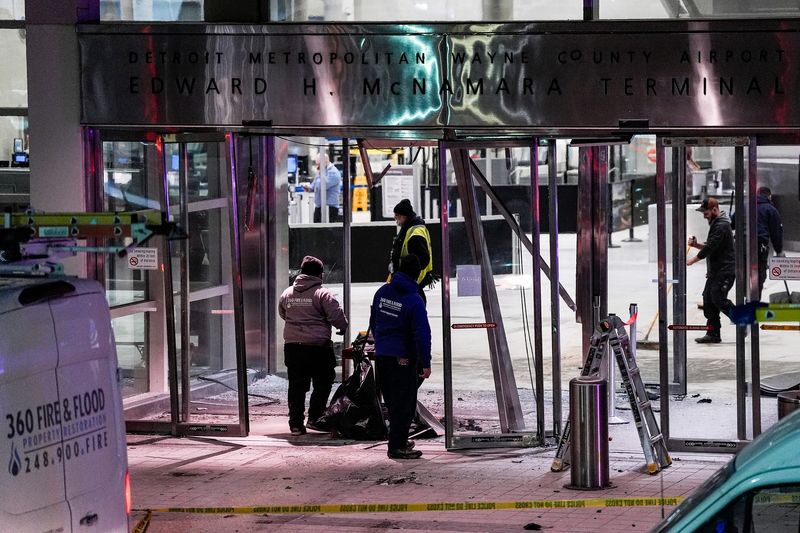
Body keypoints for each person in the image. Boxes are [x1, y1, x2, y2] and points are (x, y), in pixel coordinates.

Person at [370, 255, 432, 459]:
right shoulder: (414, 300)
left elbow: (374, 322)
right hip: (402, 358)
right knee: (404, 404)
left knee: (391, 401)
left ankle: (399, 440)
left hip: (382, 356)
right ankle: (396, 447)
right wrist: (425, 361)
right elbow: (422, 333)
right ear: (417, 274)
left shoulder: (382, 292)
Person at [279, 255, 348, 436]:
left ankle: (295, 424)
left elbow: (283, 313)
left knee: (296, 386)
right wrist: (342, 327)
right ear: (320, 274)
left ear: (301, 273)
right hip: (317, 347)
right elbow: (336, 316)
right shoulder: (322, 294)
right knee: (323, 383)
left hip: (293, 347)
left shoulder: (287, 293)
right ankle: (315, 418)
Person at [687, 198, 736, 344]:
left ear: (715, 210)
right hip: (716, 271)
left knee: (717, 297)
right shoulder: (716, 224)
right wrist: (696, 245)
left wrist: (693, 260)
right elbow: (712, 246)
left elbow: (711, 247)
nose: (704, 216)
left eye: (706, 213)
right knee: (708, 300)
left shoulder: (721, 225)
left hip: (725, 270)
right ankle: (713, 333)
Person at [731, 187, 784, 299]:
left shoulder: (744, 206)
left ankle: (743, 297)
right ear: (769, 196)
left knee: (742, 271)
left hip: (741, 243)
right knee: (758, 274)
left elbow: (732, 223)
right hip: (759, 244)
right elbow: (776, 232)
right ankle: (755, 299)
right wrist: (779, 250)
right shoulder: (771, 209)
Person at [389, 198, 434, 303]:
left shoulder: (416, 232)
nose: (396, 220)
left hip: (411, 279)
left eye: (397, 217)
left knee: (414, 305)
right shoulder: (408, 228)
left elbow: (423, 258)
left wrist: (409, 273)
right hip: (406, 279)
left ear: (404, 216)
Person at [310, 152, 341, 223]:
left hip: (330, 208)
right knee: (317, 230)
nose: (317, 167)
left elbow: (322, 186)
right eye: (317, 164)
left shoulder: (334, 173)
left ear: (325, 162)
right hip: (319, 206)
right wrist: (309, 188)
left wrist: (317, 183)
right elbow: (314, 185)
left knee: (327, 232)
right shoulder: (320, 171)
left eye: (319, 164)